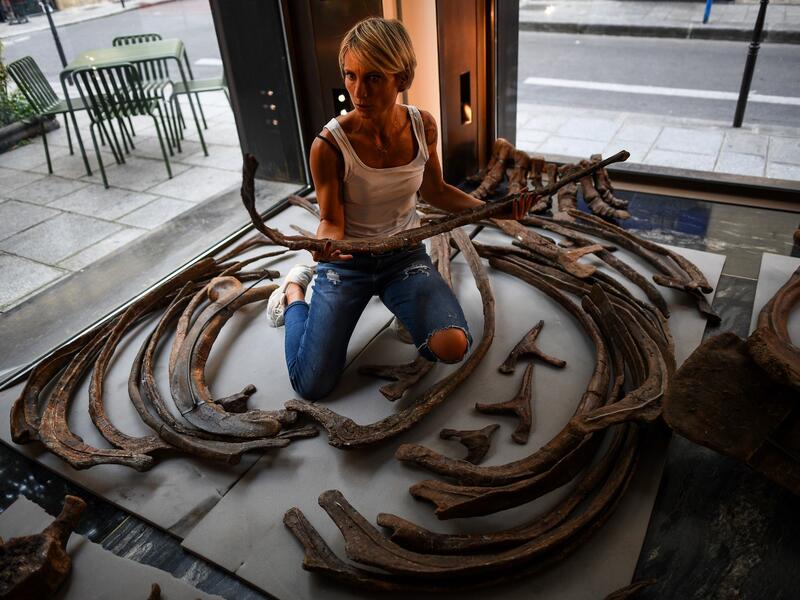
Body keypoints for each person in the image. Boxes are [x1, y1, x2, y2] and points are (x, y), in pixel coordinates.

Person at [267, 17, 531, 401]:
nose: (358, 91)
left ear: (402, 78)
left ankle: (405, 303)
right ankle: (293, 291)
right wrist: (326, 247)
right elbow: (330, 219)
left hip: (402, 255)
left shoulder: (422, 125)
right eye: (350, 75)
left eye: (373, 77)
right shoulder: (329, 144)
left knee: (453, 346)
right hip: (347, 262)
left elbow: (437, 191)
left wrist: (493, 210)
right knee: (312, 385)